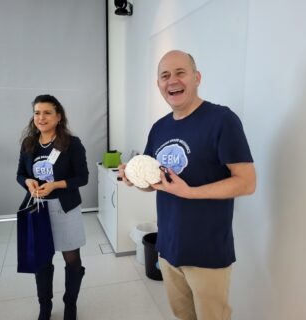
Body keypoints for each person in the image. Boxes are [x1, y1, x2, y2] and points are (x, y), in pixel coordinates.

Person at [118, 50, 256, 320]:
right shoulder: (159, 128)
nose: (172, 81)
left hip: (208, 250)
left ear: (197, 77)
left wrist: (190, 193)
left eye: (180, 72)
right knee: (183, 316)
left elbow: (247, 182)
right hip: (168, 246)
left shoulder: (221, 120)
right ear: (158, 84)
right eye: (164, 76)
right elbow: (156, 183)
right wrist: (134, 179)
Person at [16, 94, 89, 320]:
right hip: (39, 210)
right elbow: (20, 174)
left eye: (47, 112)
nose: (41, 117)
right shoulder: (29, 144)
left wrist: (56, 184)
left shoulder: (71, 144)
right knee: (42, 260)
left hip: (65, 208)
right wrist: (28, 182)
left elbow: (83, 177)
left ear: (58, 117)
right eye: (37, 112)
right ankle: (45, 306)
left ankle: (70, 305)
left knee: (72, 259)